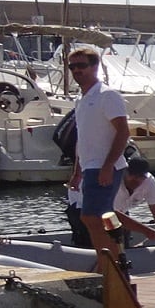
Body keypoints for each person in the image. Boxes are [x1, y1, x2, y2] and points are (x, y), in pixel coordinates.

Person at [63, 48, 130, 259]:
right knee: (96, 217)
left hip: (104, 165)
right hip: (90, 166)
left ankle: (112, 261)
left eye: (81, 66)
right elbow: (83, 140)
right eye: (72, 67)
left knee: (93, 217)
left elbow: (123, 131)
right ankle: (109, 260)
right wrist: (77, 172)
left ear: (94, 67)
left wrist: (108, 166)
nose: (76, 71)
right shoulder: (81, 100)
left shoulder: (107, 95)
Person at [112, 157, 155, 243]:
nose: (136, 180)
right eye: (133, 176)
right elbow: (111, 212)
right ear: (125, 172)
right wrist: (146, 231)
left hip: (123, 212)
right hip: (101, 214)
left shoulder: (149, 181)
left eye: (140, 177)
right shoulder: (113, 179)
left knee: (124, 245)